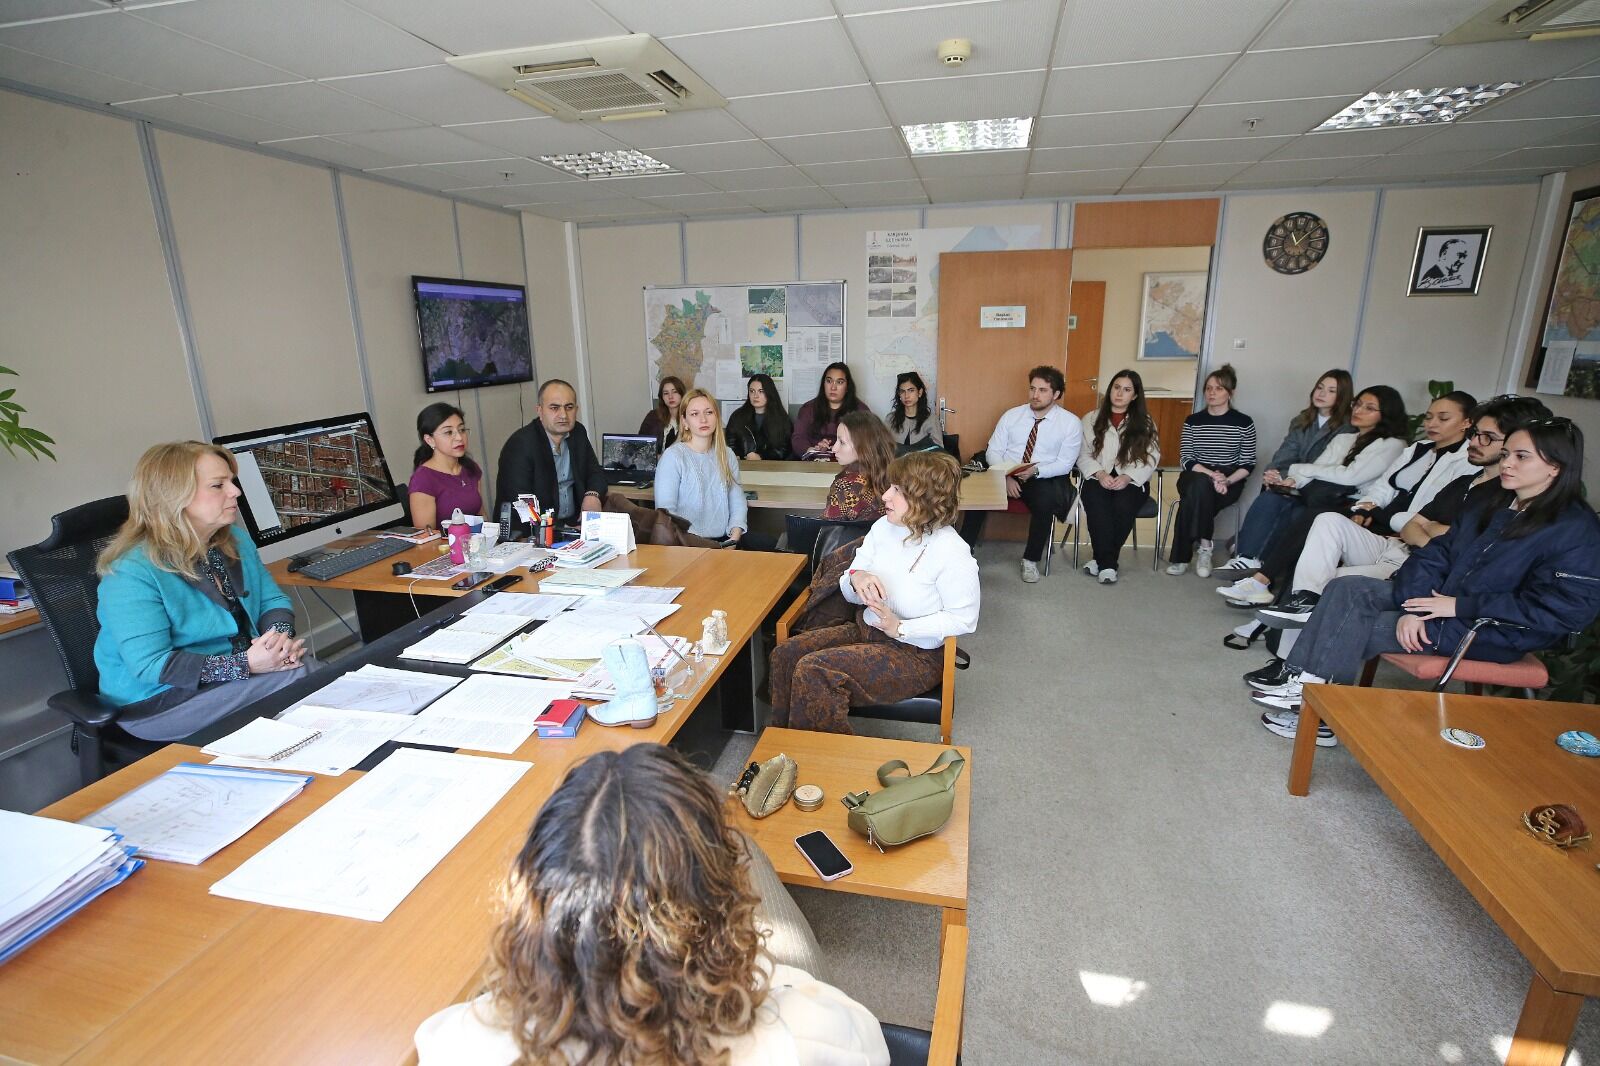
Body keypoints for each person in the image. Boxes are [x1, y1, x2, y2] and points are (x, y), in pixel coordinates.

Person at [415, 744, 889, 1066]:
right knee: (750, 848)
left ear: (536, 901)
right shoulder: (812, 1032)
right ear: (716, 902)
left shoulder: (455, 1041)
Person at [1251, 419, 1600, 747]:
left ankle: (1318, 709)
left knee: (1355, 625)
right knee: (1348, 587)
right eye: (1507, 453)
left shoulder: (1575, 529)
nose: (1508, 463)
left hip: (1490, 626)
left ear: (1555, 465)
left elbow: (1565, 611)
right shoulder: (1496, 501)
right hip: (1440, 604)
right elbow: (1435, 554)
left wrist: (1456, 607)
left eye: (1522, 457)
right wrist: (1412, 607)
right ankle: (1304, 682)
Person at [1239, 396, 1549, 681]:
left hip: (1420, 568)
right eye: (1475, 434)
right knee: (1325, 525)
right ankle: (1296, 629)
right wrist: (1431, 533)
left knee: (1332, 587)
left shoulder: (1503, 495)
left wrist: (1437, 536)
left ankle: (1299, 670)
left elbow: (1459, 547)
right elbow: (1415, 524)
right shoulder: (1464, 478)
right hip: (1401, 546)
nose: (1475, 441)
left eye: (1486, 436)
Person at [93, 442, 314, 742]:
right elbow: (150, 665)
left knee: (308, 678)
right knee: (306, 680)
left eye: (232, 482)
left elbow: (272, 601)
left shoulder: (232, 539)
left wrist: (278, 640)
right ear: (175, 496)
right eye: (218, 485)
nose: (235, 492)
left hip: (235, 676)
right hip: (161, 700)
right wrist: (247, 664)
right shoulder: (130, 571)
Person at [771, 451, 979, 734]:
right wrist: (859, 578)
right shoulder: (883, 528)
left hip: (914, 654)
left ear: (925, 500)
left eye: (898, 491)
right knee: (785, 654)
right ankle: (785, 746)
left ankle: (820, 765)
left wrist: (901, 627)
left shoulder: (952, 552)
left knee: (816, 670)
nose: (885, 496)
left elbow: (964, 619)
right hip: (866, 630)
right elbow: (848, 583)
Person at [1213, 386, 1414, 605]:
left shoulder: (1392, 445)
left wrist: (1301, 469)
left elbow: (1350, 477)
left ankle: (1261, 581)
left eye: (1370, 408)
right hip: (1322, 498)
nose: (1359, 410)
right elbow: (1320, 468)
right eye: (1357, 404)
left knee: (1306, 516)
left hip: (1352, 505)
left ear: (1386, 414)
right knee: (1272, 497)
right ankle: (1247, 560)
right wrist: (1293, 480)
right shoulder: (1344, 439)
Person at [1215, 369, 1353, 572]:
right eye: (1320, 387)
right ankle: (1247, 556)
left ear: (1341, 397)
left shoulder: (1348, 427)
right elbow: (1286, 454)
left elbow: (1328, 466)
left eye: (1331, 391)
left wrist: (1292, 478)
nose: (1321, 393)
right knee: (1270, 494)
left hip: (1319, 487)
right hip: (1292, 480)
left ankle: (1253, 556)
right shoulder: (1303, 419)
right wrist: (1276, 474)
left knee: (1289, 508)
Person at [983, 365, 1083, 584]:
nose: (1035, 395)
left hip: (1041, 475)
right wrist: (1005, 477)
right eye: (1032, 388)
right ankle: (966, 550)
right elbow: (993, 450)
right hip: (1006, 471)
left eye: (1043, 390)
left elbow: (1065, 464)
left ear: (1056, 394)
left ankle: (1030, 559)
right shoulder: (1012, 415)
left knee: (1045, 503)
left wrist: (1036, 470)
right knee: (977, 496)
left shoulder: (1070, 423)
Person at [1165, 364, 1256, 577]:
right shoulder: (1193, 421)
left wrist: (1226, 481)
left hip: (1229, 480)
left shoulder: (1243, 423)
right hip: (1196, 474)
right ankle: (1205, 546)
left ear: (1230, 393)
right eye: (1208, 388)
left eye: (1219, 388)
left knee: (1192, 499)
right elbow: (1186, 458)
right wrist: (1212, 475)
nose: (1212, 393)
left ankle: (1181, 558)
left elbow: (1248, 463)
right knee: (1199, 484)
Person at [655, 388, 774, 549]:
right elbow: (666, 513)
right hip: (688, 545)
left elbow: (737, 501)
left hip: (725, 541)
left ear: (716, 417)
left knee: (776, 546)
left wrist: (734, 537)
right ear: (684, 422)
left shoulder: (727, 454)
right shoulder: (673, 457)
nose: (703, 419)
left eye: (709, 412)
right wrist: (701, 546)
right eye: (695, 414)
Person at [1076, 368, 1160, 584]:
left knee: (1123, 505)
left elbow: (1151, 457)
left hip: (1131, 481)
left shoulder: (1145, 422)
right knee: (1098, 505)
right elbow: (1082, 453)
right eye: (1116, 387)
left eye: (1126, 389)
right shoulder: (1090, 419)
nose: (1119, 393)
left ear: (1135, 395)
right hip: (1097, 476)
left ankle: (1102, 561)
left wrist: (1127, 477)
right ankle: (1108, 564)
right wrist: (1100, 473)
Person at [495, 379, 607, 527]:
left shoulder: (577, 433)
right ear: (540, 411)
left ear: (576, 410)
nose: (563, 415)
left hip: (574, 525)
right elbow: (520, 502)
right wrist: (559, 530)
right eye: (554, 408)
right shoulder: (520, 445)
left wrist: (592, 495)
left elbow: (595, 472)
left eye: (569, 407)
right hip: (530, 534)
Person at [407, 402, 482, 531]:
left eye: (462, 430)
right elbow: (426, 537)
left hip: (476, 546)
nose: (459, 437)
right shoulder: (423, 479)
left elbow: (481, 517)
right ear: (430, 440)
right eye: (448, 432)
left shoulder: (470, 468)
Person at [823, 411, 895, 523]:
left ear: (864, 446)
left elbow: (827, 526)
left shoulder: (846, 486)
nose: (834, 449)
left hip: (849, 540)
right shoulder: (893, 478)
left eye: (842, 442)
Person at [791, 362, 861, 460]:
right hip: (813, 463)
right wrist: (813, 450)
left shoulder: (860, 410)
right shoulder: (808, 408)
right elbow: (798, 438)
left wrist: (838, 448)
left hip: (847, 464)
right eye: (829, 381)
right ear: (823, 384)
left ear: (847, 387)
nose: (833, 387)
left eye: (839, 382)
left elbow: (867, 442)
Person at [725, 373, 794, 460]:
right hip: (743, 467)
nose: (755, 396)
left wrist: (761, 457)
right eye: (752, 391)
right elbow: (730, 444)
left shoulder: (782, 419)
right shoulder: (737, 416)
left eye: (761, 391)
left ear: (769, 393)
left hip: (772, 468)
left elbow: (784, 450)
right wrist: (735, 456)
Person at [886, 371, 942, 448]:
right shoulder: (890, 419)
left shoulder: (932, 420)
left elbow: (938, 452)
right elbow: (884, 449)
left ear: (920, 392)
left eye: (911, 390)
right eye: (902, 391)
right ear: (899, 394)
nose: (906, 396)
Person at [638, 375, 685, 452]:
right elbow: (640, 445)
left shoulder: (691, 417)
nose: (670, 397)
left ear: (682, 394)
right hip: (657, 462)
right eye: (666, 393)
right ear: (662, 397)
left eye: (675, 392)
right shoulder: (653, 416)